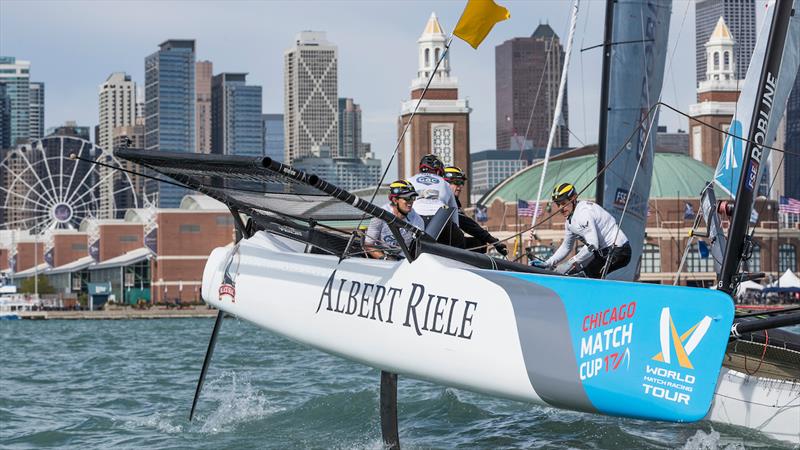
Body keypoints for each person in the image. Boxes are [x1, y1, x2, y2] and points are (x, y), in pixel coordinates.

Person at [536, 182, 631, 278]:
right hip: (603, 253)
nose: (561, 208)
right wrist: (548, 263)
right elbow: (566, 247)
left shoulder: (583, 212)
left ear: (573, 198)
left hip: (618, 250)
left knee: (584, 276)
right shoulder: (570, 220)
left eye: (564, 203)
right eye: (558, 204)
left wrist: (570, 263)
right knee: (577, 274)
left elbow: (592, 245)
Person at [443, 166, 508, 257]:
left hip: (445, 243)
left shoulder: (454, 202)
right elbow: (467, 224)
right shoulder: (441, 201)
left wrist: (493, 241)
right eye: (457, 182)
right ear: (445, 183)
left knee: (479, 243)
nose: (460, 186)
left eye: (462, 183)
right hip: (438, 245)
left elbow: (467, 224)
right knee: (465, 239)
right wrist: (493, 241)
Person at [408, 154, 464, 247]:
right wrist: (455, 230)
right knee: (459, 241)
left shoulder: (410, 180)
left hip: (415, 218)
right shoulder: (445, 183)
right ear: (438, 171)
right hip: (439, 219)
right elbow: (453, 210)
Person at [364, 180, 425, 260]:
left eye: (413, 198)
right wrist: (385, 258)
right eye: (407, 198)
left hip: (405, 259)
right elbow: (368, 245)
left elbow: (420, 248)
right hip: (382, 258)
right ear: (395, 200)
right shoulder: (379, 216)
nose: (411, 201)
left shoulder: (417, 220)